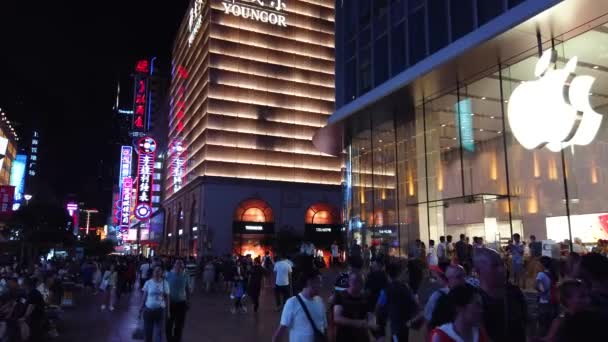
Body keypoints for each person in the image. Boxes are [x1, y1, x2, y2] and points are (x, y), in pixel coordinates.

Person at [474, 248, 527, 342]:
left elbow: (527, 321)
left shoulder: (514, 292)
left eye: (502, 264)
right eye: (495, 266)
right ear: (478, 272)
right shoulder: (473, 300)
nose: (502, 269)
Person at [272, 270, 327, 342]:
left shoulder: (320, 301)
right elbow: (281, 331)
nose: (321, 285)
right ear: (309, 282)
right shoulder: (292, 303)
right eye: (319, 282)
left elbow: (324, 327)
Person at [376, 262, 418, 342]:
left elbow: (378, 307)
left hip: (395, 325)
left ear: (387, 275)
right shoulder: (406, 288)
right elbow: (415, 302)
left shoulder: (386, 290)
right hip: (406, 323)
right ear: (399, 273)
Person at [333, 272, 375, 342]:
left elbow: (372, 318)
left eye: (361, 282)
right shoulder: (340, 296)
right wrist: (356, 323)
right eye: (355, 282)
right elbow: (337, 318)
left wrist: (371, 323)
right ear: (349, 282)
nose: (358, 285)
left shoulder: (366, 298)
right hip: (344, 338)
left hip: (362, 337)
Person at [141, 266, 170, 342]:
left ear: (162, 273)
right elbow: (144, 296)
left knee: (160, 331)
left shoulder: (165, 283)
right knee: (148, 330)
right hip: (148, 310)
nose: (157, 272)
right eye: (156, 271)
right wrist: (141, 308)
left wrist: (168, 310)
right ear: (153, 272)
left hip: (160, 310)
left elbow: (167, 298)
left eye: (159, 270)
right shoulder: (148, 282)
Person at [166, 260, 190, 342]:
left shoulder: (185, 276)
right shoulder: (168, 274)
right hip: (170, 303)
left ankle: (177, 339)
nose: (179, 267)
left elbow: (187, 289)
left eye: (181, 265)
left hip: (181, 302)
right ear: (174, 266)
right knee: (169, 323)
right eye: (177, 264)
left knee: (179, 324)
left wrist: (188, 301)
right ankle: (169, 339)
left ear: (182, 267)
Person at [535, 256, 557, 337]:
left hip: (543, 301)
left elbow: (539, 287)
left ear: (542, 264)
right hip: (552, 301)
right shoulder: (552, 274)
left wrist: (541, 290)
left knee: (542, 325)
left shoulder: (541, 274)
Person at [21, 277, 46, 342]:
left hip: (35, 318)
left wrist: (24, 317)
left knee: (34, 335)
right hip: (35, 317)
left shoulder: (33, 293)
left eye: (22, 283)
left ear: (26, 285)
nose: (21, 285)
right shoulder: (32, 292)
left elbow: (31, 307)